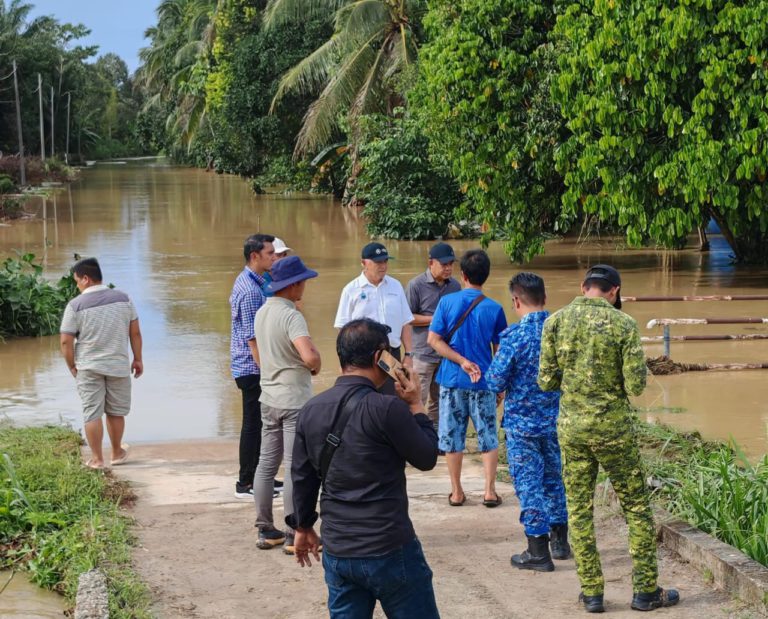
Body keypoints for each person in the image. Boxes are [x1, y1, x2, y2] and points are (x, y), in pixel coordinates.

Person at [538, 264, 680, 613]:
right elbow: (635, 386)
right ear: (614, 291)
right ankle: (646, 591)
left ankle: (592, 594)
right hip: (614, 430)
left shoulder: (554, 322)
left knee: (579, 509)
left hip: (572, 429)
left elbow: (545, 381)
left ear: (583, 287)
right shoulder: (624, 324)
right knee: (636, 507)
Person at [288, 319, 440, 619]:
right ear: (378, 358)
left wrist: (303, 527)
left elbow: (302, 478)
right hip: (389, 546)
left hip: (339, 549)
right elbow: (426, 457)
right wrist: (417, 405)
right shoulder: (387, 408)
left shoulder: (311, 410)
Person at [485, 273, 568, 573]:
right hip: (557, 422)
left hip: (523, 427)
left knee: (529, 485)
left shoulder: (515, 337)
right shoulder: (562, 334)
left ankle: (538, 551)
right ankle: (560, 542)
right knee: (554, 480)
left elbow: (494, 381)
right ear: (545, 299)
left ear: (516, 301)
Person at [427, 249, 507, 508]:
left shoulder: (446, 303)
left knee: (452, 438)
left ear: (463, 275)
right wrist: (500, 385)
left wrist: (460, 361)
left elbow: (433, 341)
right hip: (483, 382)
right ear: (486, 276)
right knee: (488, 436)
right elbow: (500, 351)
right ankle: (489, 492)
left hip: (451, 380)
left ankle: (457, 492)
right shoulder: (494, 308)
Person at [252, 256, 321, 554]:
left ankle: (266, 529)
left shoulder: (262, 311)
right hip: (294, 399)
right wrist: (316, 363)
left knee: (266, 464)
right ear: (292, 285)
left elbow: (255, 345)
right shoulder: (292, 316)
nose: (305, 286)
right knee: (295, 467)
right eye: (303, 281)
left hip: (268, 397)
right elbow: (309, 356)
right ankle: (295, 531)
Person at [60, 257, 142, 469]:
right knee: (115, 411)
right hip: (118, 364)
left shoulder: (75, 306)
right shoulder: (124, 299)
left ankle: (97, 459)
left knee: (92, 412)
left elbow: (65, 341)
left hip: (87, 367)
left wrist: (71, 365)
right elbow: (135, 333)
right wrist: (138, 359)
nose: (77, 285)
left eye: (77, 280)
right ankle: (116, 452)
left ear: (86, 279)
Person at [229, 233, 281, 499]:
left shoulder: (259, 281)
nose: (275, 257)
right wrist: (268, 372)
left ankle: (264, 477)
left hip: (255, 366)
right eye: (270, 253)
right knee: (253, 425)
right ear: (255, 256)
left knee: (263, 424)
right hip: (252, 368)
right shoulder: (249, 290)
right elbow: (253, 339)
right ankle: (246, 482)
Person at [333, 242, 414, 393]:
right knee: (364, 396)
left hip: (391, 353)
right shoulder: (351, 290)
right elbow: (342, 328)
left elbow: (406, 322)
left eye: (385, 261)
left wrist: (409, 354)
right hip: (363, 356)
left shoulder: (395, 286)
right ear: (363, 263)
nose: (382, 265)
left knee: (393, 397)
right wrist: (345, 360)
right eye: (377, 262)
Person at [406, 242, 461, 431]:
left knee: (440, 398)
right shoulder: (416, 285)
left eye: (451, 264)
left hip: (446, 352)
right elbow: (408, 317)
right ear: (431, 263)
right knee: (417, 397)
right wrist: (436, 320)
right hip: (422, 352)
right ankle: (414, 434)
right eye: (444, 264)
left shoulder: (455, 286)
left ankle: (434, 435)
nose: (448, 268)